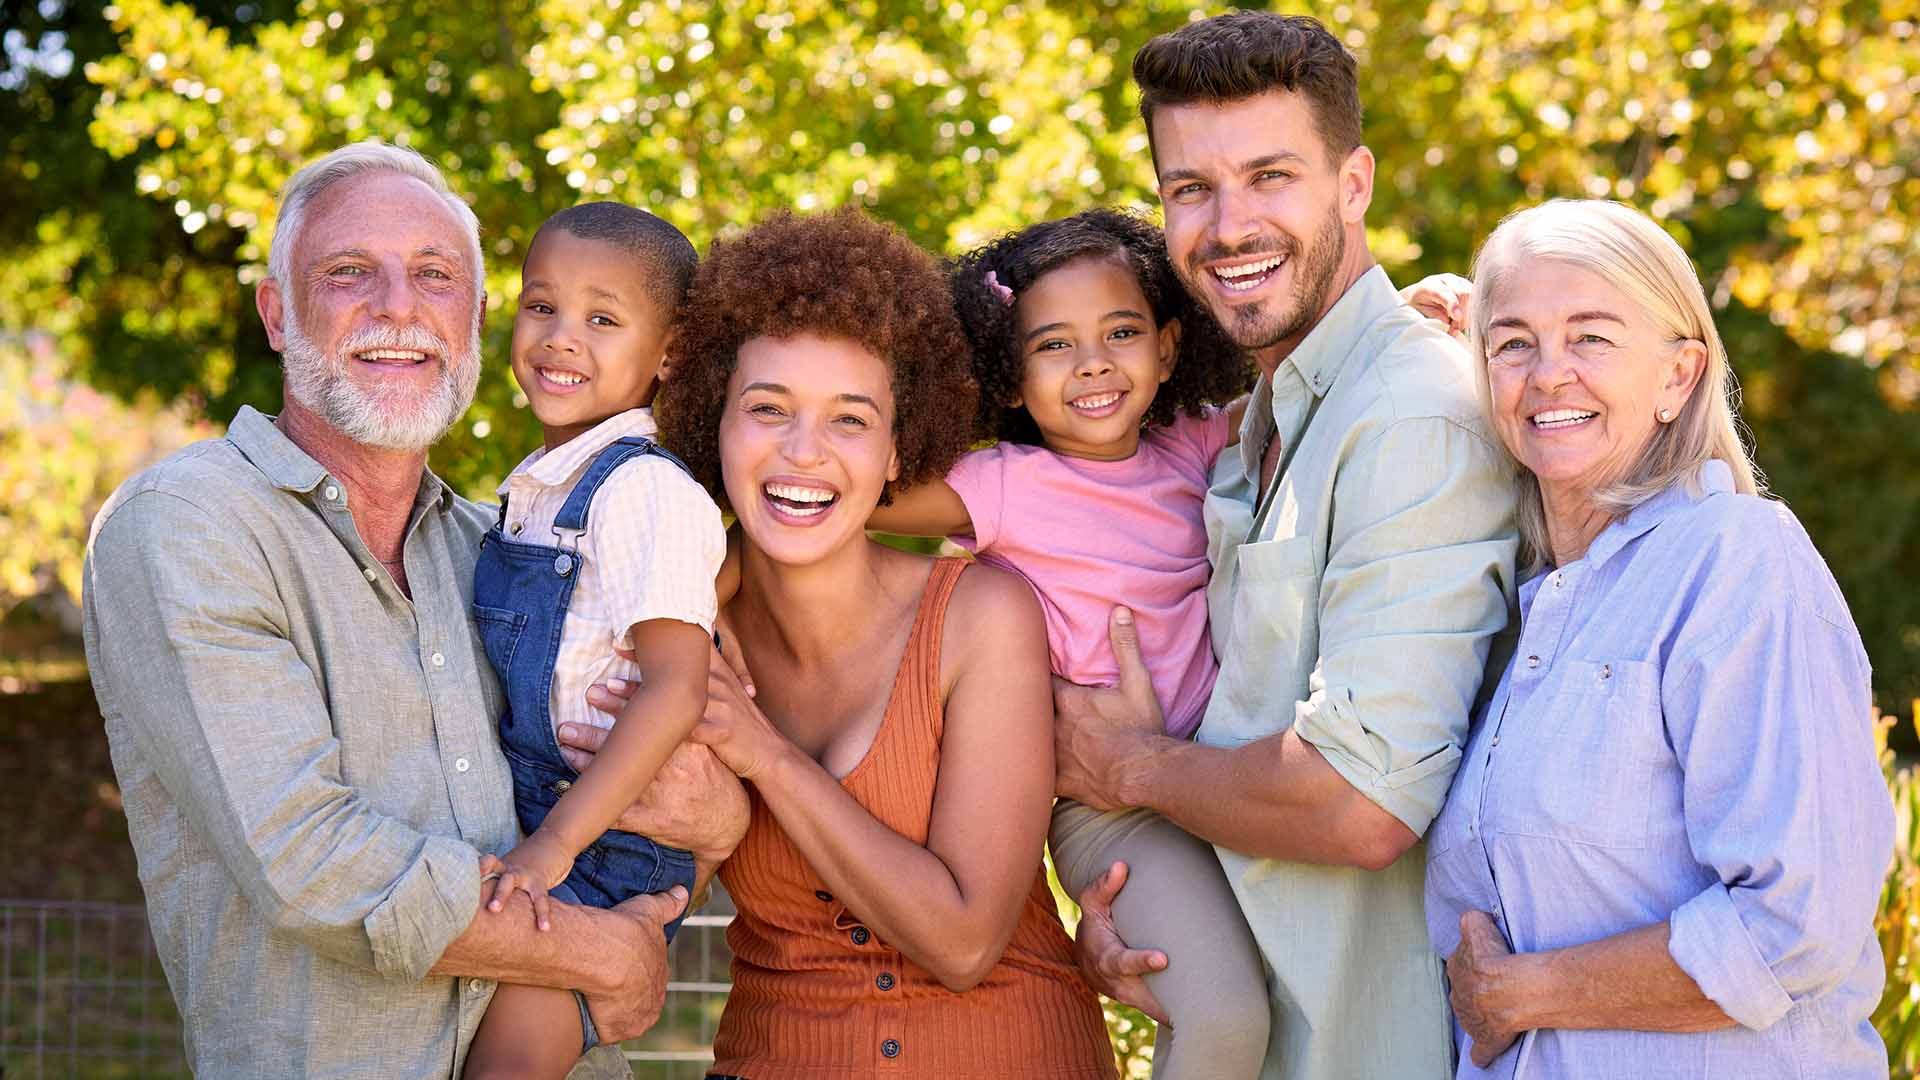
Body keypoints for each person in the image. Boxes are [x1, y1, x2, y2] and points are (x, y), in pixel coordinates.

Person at [81, 141, 740, 1079]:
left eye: (435, 278)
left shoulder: (503, 549)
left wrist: (714, 817)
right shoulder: (187, 526)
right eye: (350, 272)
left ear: (471, 322)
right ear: (276, 314)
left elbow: (683, 755)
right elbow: (310, 861)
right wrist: (601, 950)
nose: (398, 307)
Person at [1050, 13, 1519, 1079]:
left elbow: (1359, 805)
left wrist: (1129, 767)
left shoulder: (1409, 417)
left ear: (1353, 184)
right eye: (1190, 189)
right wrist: (1148, 932)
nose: (1228, 226)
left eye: (1271, 177)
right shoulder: (1258, 421)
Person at [1424, 198, 1893, 1078]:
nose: (1549, 372)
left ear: (1679, 376)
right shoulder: (1525, 618)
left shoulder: (1736, 560)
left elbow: (1795, 922)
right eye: (1513, 342)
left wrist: (1526, 993)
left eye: (1592, 337)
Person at [654, 208, 1117, 1079]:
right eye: (768, 409)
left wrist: (766, 757)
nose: (804, 453)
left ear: (900, 448)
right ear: (714, 422)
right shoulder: (676, 633)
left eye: (850, 421)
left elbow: (965, 939)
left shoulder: (981, 616)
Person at [862, 207, 1269, 1078]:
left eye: (1120, 332)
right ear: (1007, 380)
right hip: (1109, 808)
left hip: (1223, 781)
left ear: (1166, 349)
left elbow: (1309, 390)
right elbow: (838, 500)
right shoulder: (1001, 486)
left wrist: (1417, 313)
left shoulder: (1194, 444)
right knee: (1227, 1018)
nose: (1093, 363)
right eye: (1052, 345)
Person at [462, 203, 726, 1078]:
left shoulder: (646, 490)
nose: (561, 337)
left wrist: (556, 846)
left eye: (603, 319)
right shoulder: (539, 491)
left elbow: (676, 687)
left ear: (671, 352)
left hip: (604, 842)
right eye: (542, 307)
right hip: (541, 818)